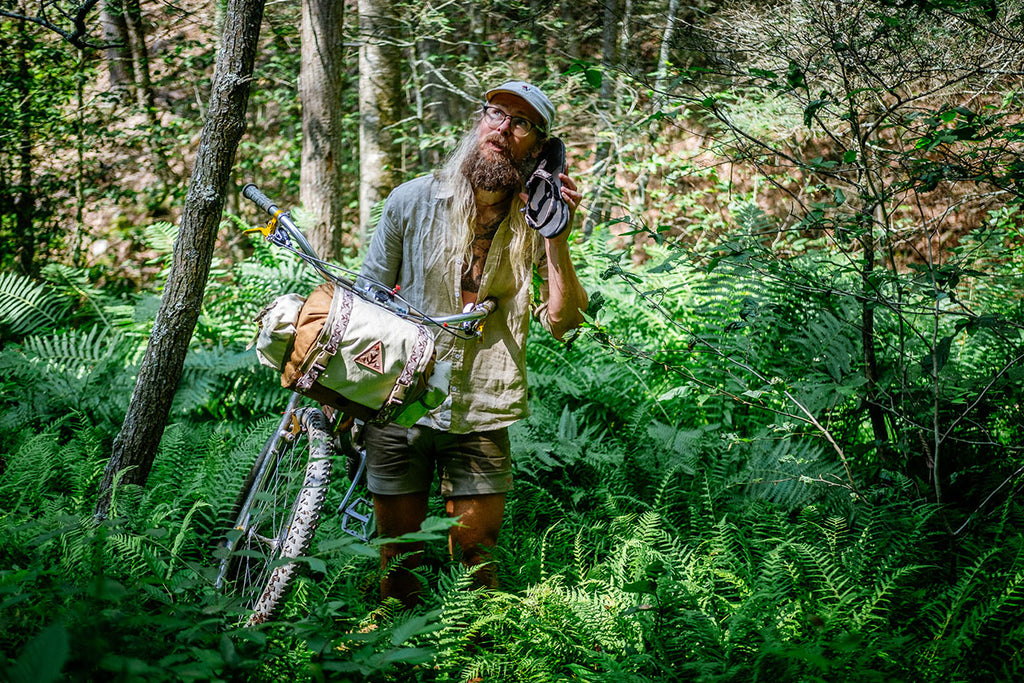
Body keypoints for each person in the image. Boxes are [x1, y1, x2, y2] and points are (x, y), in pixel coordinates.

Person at [358, 80, 588, 607]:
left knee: (478, 555)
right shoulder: (411, 200)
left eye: (522, 123)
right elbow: (369, 297)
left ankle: (476, 660)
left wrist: (557, 236)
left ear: (540, 148)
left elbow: (563, 320)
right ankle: (396, 658)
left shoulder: (538, 220)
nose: (503, 129)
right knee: (399, 556)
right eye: (495, 114)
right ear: (478, 123)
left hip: (482, 404)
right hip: (401, 400)